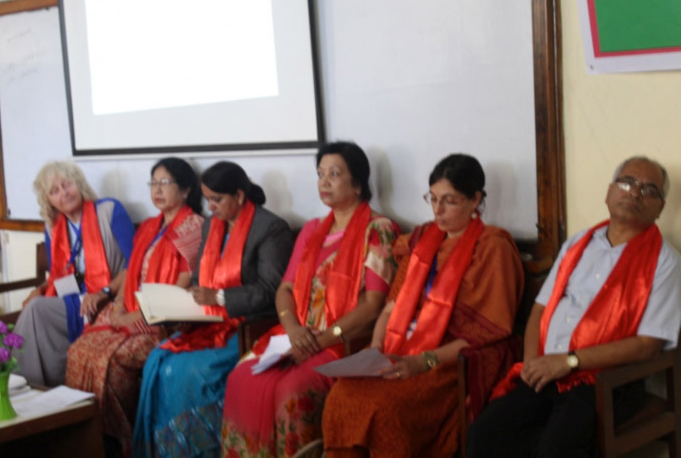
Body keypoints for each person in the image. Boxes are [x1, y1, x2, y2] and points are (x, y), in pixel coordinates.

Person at [468, 156, 681, 458]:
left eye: (649, 190)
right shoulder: (578, 243)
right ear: (609, 192)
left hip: (607, 381)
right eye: (627, 182)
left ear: (659, 208)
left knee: (555, 447)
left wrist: (569, 362)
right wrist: (531, 364)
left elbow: (647, 346)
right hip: (548, 371)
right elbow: (540, 310)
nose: (634, 193)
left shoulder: (665, 262)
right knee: (486, 432)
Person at [321, 153, 524, 457]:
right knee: (340, 396)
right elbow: (391, 307)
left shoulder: (492, 248)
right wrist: (376, 347)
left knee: (386, 409)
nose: (438, 211)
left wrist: (423, 362)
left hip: (444, 360)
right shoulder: (425, 238)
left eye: (450, 201)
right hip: (397, 347)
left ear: (475, 199)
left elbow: (485, 333)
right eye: (433, 198)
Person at [221, 142, 400, 457]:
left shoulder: (379, 230)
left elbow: (373, 306)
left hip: (342, 341)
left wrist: (322, 339)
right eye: (320, 174)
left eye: (334, 174)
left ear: (358, 183)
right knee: (241, 376)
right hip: (296, 335)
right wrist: (292, 328)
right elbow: (285, 289)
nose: (324, 182)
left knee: (292, 390)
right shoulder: (312, 230)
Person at [132, 161, 295, 457]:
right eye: (207, 199)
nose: (210, 206)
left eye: (217, 199)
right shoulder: (212, 224)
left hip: (247, 325)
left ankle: (198, 450)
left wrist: (219, 298)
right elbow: (198, 280)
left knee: (188, 370)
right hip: (206, 322)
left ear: (240, 196)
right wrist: (184, 309)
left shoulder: (270, 229)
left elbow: (270, 291)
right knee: (158, 359)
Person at [65, 157, 204, 455]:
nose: (157, 189)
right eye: (153, 183)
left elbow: (187, 280)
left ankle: (124, 443)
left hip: (165, 317)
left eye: (165, 183)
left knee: (111, 362)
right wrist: (117, 306)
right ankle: (87, 439)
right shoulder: (150, 226)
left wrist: (143, 313)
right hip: (130, 309)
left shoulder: (193, 225)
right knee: (80, 351)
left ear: (186, 189)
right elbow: (130, 273)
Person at [14, 161, 135, 387]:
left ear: (78, 184)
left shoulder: (110, 210)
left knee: (36, 312)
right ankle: (38, 386)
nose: (64, 194)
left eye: (66, 185)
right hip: (75, 299)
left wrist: (103, 291)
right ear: (48, 200)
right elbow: (61, 276)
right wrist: (39, 290)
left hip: (110, 298)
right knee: (35, 307)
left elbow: (135, 266)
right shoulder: (53, 227)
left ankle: (23, 384)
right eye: (54, 191)